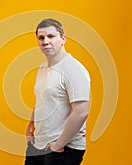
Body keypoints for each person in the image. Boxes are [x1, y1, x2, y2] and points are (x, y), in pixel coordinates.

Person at [24, 18, 91, 165]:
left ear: (63, 39)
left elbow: (81, 111)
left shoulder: (72, 68)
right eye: (41, 38)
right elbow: (41, 100)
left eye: (51, 36)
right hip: (39, 144)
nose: (45, 41)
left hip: (63, 149)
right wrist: (31, 125)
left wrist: (59, 143)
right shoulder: (43, 68)